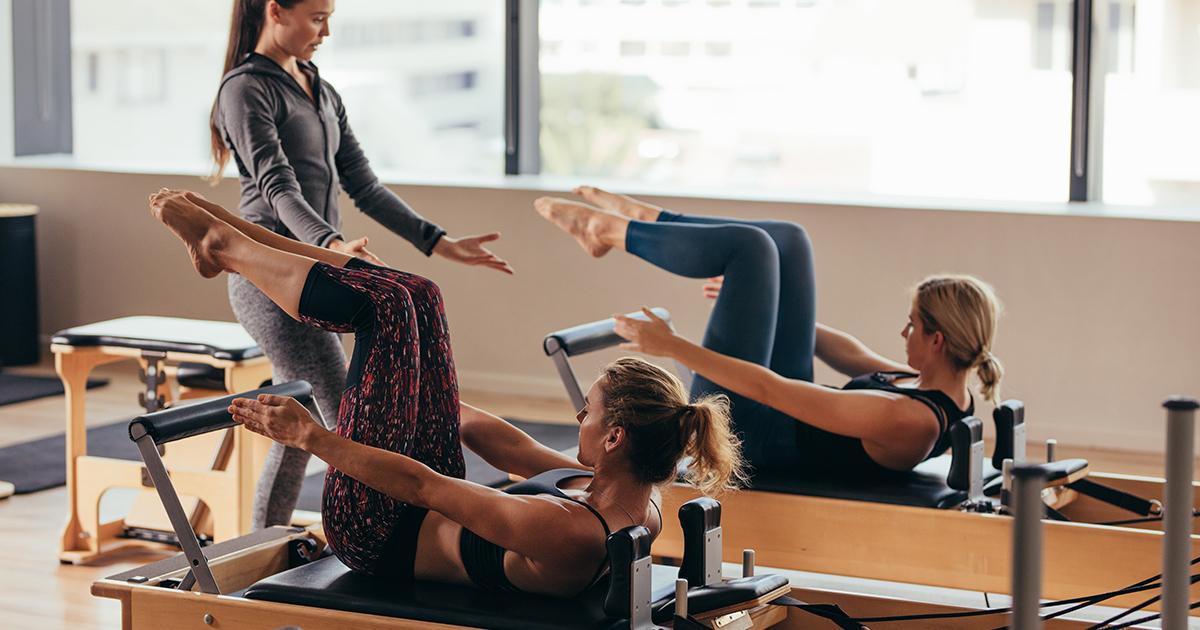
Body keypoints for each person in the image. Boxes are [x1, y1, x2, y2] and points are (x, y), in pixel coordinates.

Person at [147, 189, 746, 595]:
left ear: (614, 437)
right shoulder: (631, 496)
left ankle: (225, 246)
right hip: (411, 499)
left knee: (383, 311)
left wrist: (311, 435)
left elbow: (423, 485)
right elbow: (508, 447)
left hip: (374, 530)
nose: (577, 415)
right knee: (419, 298)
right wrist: (413, 382)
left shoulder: (569, 533)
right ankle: (236, 239)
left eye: (586, 410)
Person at [209, 0, 513, 528]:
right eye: (317, 16)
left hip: (319, 266)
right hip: (269, 272)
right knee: (339, 417)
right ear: (276, 11)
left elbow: (364, 185)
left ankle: (263, 542)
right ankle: (372, 535)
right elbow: (277, 187)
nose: (326, 30)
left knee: (309, 416)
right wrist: (330, 244)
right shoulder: (245, 89)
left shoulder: (318, 87)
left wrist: (439, 242)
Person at [535, 186, 1003, 478]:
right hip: (777, 416)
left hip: (750, 437)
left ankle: (609, 231)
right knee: (789, 240)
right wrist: (761, 300)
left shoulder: (910, 421)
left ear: (938, 340)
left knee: (750, 248)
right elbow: (853, 356)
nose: (904, 333)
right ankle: (650, 221)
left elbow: (769, 388)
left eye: (913, 325)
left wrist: (671, 345)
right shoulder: (938, 387)